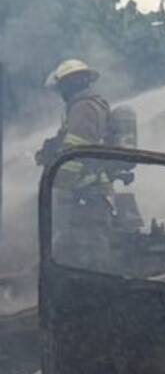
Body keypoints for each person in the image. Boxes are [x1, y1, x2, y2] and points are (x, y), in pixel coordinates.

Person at [36, 59, 114, 269]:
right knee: (72, 246)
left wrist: (59, 181)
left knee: (91, 253)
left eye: (62, 87)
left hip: (87, 192)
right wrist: (50, 148)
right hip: (86, 192)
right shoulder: (82, 106)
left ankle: (96, 293)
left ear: (69, 84)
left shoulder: (84, 107)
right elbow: (67, 140)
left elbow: (77, 151)